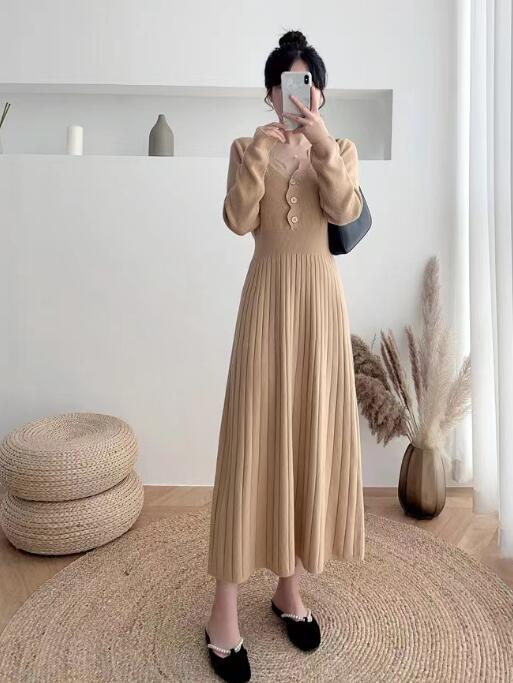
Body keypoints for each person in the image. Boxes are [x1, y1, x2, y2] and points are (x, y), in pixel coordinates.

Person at [204, 29, 365, 682]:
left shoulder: (340, 150)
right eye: (286, 84)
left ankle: (288, 589)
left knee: (303, 443)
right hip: (267, 305)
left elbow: (344, 210)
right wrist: (256, 158)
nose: (296, 94)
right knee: (251, 445)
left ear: (318, 93)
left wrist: (322, 146)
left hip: (320, 310)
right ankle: (222, 613)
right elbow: (237, 220)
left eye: (307, 84)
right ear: (271, 92)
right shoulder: (246, 149)